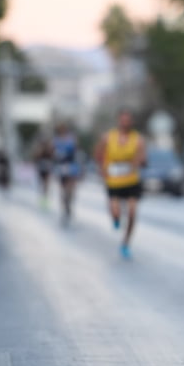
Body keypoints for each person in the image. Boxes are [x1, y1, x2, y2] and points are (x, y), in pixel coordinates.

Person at [94, 109, 147, 260]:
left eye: (128, 120)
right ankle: (115, 218)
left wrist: (139, 162)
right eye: (123, 120)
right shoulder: (108, 137)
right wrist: (101, 169)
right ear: (119, 121)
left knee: (132, 214)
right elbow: (98, 153)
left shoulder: (138, 139)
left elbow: (143, 158)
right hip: (113, 180)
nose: (125, 123)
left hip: (131, 180)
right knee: (116, 212)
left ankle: (125, 243)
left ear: (132, 122)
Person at [52, 122, 81, 225]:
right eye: (60, 129)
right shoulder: (56, 140)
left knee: (71, 189)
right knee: (63, 190)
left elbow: (76, 150)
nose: (62, 131)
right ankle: (65, 207)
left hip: (71, 166)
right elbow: (53, 153)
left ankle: (69, 202)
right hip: (61, 167)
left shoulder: (71, 138)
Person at [33, 135, 54, 208]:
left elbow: (53, 157)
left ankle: (45, 200)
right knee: (42, 185)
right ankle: (42, 198)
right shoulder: (39, 149)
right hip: (41, 169)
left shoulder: (50, 148)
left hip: (47, 168)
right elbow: (36, 158)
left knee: (46, 185)